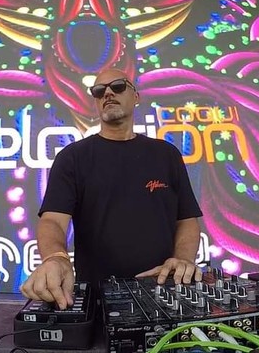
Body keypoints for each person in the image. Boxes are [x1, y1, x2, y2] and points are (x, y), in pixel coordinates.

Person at [20, 68, 204, 309]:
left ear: (135, 96)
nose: (107, 93)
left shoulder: (166, 154)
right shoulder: (73, 158)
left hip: (163, 294)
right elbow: (52, 220)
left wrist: (182, 260)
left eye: (117, 86)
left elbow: (187, 219)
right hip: (97, 300)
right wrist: (56, 258)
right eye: (99, 91)